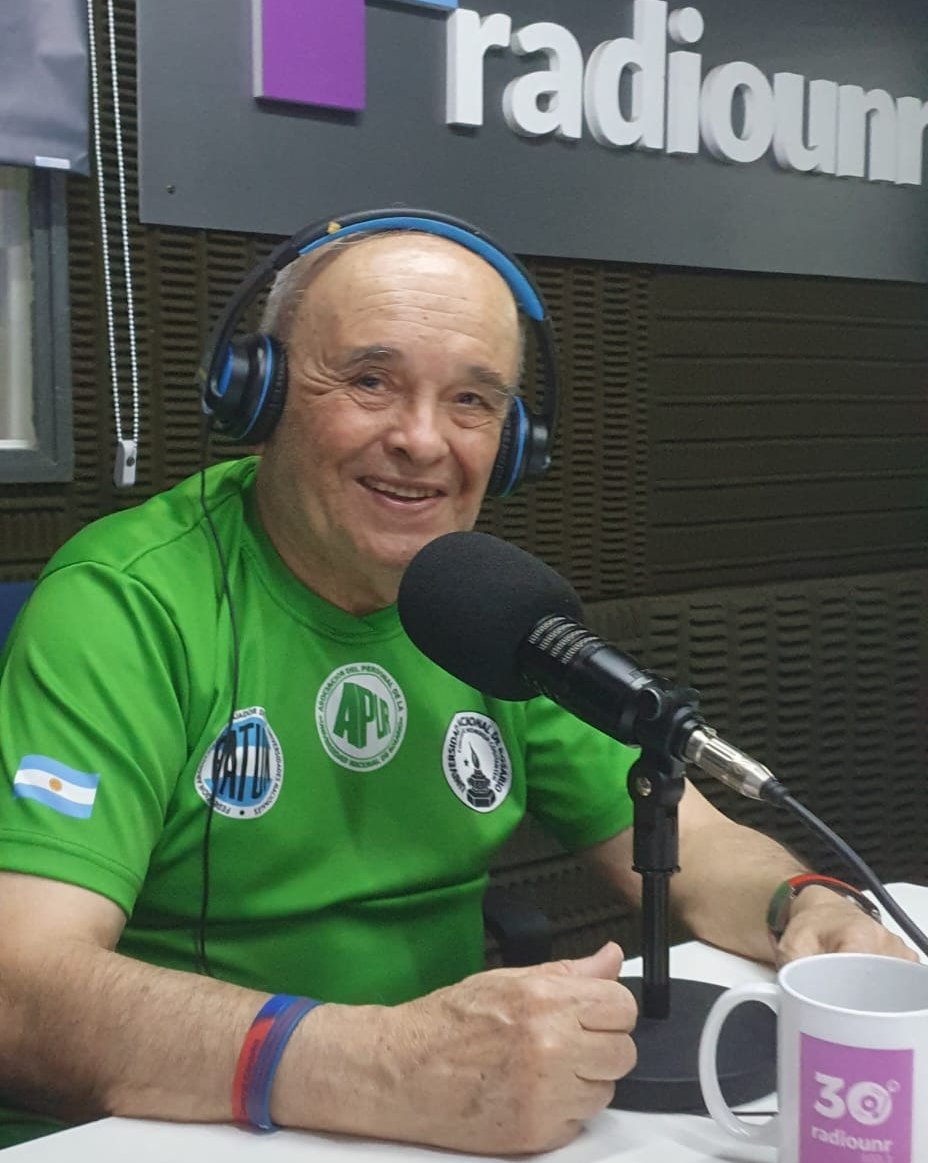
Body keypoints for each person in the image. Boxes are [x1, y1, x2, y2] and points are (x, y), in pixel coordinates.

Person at [0, 219, 913, 1156]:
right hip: (164, 1129)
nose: (422, 439)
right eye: (369, 381)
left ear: (515, 442)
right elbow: (21, 992)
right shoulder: (124, 604)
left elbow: (693, 840)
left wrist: (805, 904)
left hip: (432, 1123)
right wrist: (381, 1064)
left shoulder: (485, 609)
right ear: (260, 390)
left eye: (471, 399)